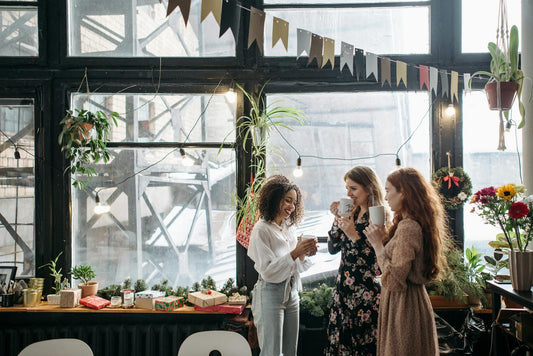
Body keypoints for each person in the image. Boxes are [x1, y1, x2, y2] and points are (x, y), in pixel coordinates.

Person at [363, 167, 448, 356]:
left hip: (404, 305)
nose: (385, 197)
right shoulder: (411, 223)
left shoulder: (408, 227)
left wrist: (378, 245)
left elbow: (394, 279)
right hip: (408, 302)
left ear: (404, 193)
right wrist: (385, 239)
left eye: (388, 190)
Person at [248, 174, 318, 356]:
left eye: (294, 203)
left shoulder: (289, 228)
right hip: (270, 293)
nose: (291, 207)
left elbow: (295, 265)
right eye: (287, 201)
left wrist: (304, 252)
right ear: (275, 198)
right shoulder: (261, 230)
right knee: (271, 352)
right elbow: (269, 272)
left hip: (292, 293)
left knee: (290, 352)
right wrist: (295, 252)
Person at [325, 166, 388, 356]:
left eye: (353, 188)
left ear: (369, 188)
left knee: (363, 346)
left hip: (365, 295)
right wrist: (338, 219)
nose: (348, 193)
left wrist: (353, 234)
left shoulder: (377, 216)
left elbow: (376, 265)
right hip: (344, 290)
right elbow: (332, 248)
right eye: (346, 188)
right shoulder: (350, 213)